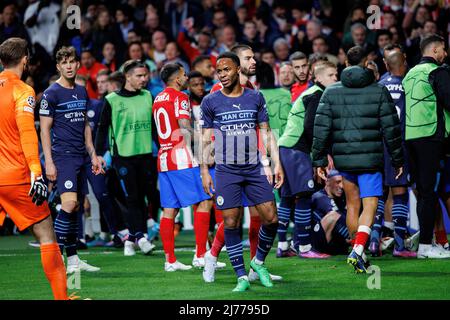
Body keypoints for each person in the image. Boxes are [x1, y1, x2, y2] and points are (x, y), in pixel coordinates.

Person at [312, 46, 404, 273]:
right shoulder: (378, 90)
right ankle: (358, 250)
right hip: (371, 159)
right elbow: (391, 128)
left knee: (352, 205)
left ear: (345, 63)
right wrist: (397, 159)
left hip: (344, 160)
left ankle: (358, 251)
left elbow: (321, 128)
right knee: (370, 204)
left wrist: (319, 160)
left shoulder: (331, 92)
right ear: (366, 63)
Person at [200, 52, 284, 292]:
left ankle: (258, 263)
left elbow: (266, 132)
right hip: (226, 170)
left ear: (237, 69)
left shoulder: (255, 97)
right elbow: (205, 140)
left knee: (271, 218)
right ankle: (241, 276)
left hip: (254, 166)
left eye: (226, 69)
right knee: (231, 222)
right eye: (219, 71)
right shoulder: (210, 101)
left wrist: (276, 163)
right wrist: (204, 171)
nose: (222, 75)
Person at [0, 37, 67, 300]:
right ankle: (62, 298)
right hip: (15, 176)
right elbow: (28, 134)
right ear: (25, 60)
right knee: (46, 233)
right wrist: (36, 174)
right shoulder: (23, 90)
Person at [39, 46, 103, 274]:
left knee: (76, 207)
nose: (68, 66)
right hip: (63, 156)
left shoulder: (82, 90)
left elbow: (85, 124)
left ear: (78, 65)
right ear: (58, 66)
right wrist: (49, 162)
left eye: (72, 62)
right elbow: (44, 130)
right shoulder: (51, 94)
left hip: (82, 157)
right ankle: (55, 256)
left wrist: (93, 154)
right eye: (63, 62)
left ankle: (74, 261)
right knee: (68, 204)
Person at [153, 63, 213, 271]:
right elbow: (184, 128)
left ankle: (170, 261)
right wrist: (205, 142)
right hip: (181, 156)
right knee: (205, 201)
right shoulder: (180, 97)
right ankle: (200, 255)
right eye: (184, 74)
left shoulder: (157, 99)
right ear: (177, 79)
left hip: (163, 157)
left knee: (170, 210)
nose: (186, 77)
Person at [277, 61, 338, 259]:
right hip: (297, 149)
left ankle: (283, 245)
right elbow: (312, 126)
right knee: (303, 196)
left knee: (287, 198)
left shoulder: (312, 93)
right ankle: (304, 247)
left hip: (287, 147)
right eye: (330, 75)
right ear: (318, 78)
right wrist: (322, 154)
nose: (335, 78)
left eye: (335, 74)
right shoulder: (316, 94)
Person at [95, 60, 156, 257]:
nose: (144, 79)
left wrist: (164, 147)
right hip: (123, 156)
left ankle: (130, 240)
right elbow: (102, 129)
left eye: (145, 75)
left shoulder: (148, 96)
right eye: (139, 76)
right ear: (127, 77)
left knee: (146, 196)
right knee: (132, 198)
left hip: (146, 154)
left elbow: (154, 127)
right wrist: (97, 154)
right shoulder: (112, 99)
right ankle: (141, 237)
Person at [403, 34, 450, 259]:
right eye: (443, 49)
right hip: (431, 136)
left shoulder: (409, 74)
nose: (445, 54)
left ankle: (426, 244)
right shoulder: (437, 71)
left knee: (424, 192)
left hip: (411, 137)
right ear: (434, 50)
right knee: (430, 193)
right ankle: (425, 247)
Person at [370, 51, 416, 258]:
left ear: (386, 66)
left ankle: (374, 241)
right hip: (399, 145)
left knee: (380, 193)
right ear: (404, 64)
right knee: (399, 193)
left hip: (378, 145)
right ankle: (399, 245)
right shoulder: (410, 84)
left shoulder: (379, 86)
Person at [311, 170, 351, 255]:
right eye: (338, 182)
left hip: (332, 240)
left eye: (343, 182)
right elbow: (340, 220)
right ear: (327, 182)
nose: (341, 186)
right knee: (333, 216)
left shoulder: (341, 198)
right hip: (314, 241)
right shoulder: (319, 197)